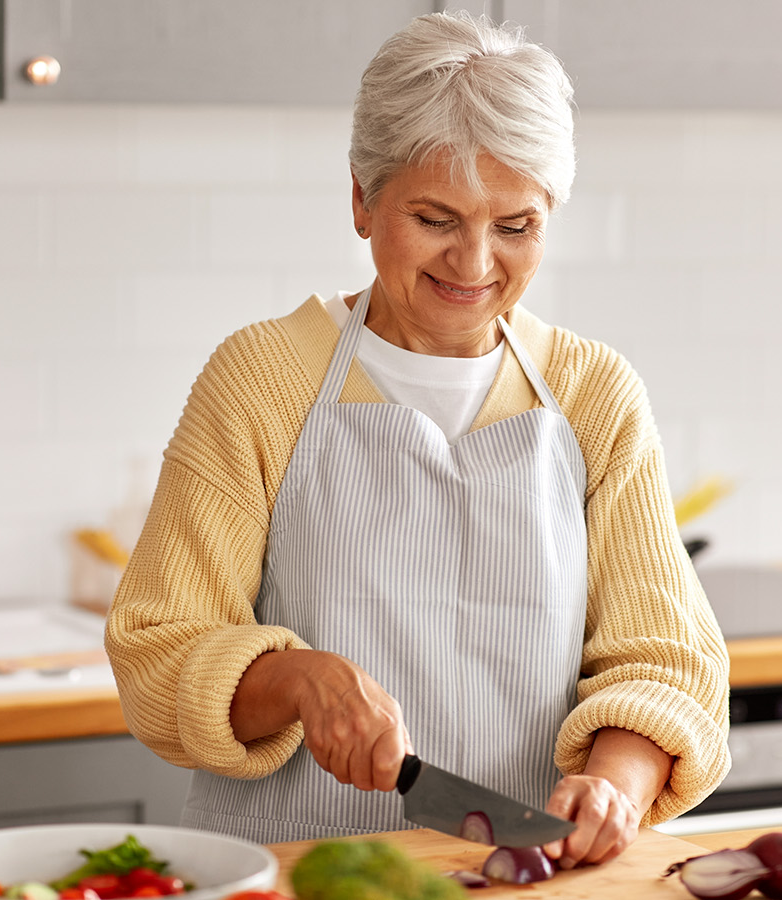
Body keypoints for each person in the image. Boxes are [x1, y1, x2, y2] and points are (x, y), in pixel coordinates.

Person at [105, 11, 730, 868]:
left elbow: (666, 661)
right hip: (293, 880)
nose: (474, 265)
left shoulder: (594, 396)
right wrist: (297, 680)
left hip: (526, 879)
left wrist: (616, 784)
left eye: (516, 226)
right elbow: (160, 648)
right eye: (437, 218)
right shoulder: (261, 379)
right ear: (362, 199)